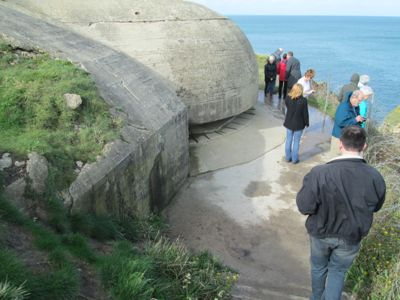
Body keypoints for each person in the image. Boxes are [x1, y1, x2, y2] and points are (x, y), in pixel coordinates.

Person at [296, 126, 386, 300]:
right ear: (364, 146)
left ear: (340, 145)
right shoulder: (375, 177)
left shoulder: (319, 173)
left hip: (320, 233)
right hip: (351, 236)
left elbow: (304, 206)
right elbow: (376, 206)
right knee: (337, 272)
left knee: (318, 268)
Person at [330, 90, 364, 154]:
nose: (360, 102)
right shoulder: (344, 107)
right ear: (354, 97)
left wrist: (359, 121)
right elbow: (340, 122)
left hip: (348, 138)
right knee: (335, 158)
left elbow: (354, 119)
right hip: (338, 137)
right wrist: (355, 120)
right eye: (359, 100)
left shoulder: (355, 106)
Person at [283, 83, 309, 164]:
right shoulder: (304, 101)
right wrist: (306, 123)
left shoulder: (288, 98)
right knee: (296, 141)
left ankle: (287, 157)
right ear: (301, 91)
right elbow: (305, 113)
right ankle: (294, 159)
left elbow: (287, 106)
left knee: (288, 140)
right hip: (299, 124)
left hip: (289, 122)